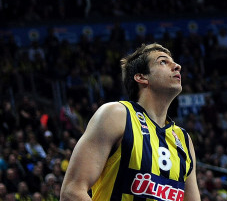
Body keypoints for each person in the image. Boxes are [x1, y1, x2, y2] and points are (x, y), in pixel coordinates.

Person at [61, 43, 200, 201]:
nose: (177, 66)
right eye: (163, 62)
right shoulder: (116, 115)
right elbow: (72, 191)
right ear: (141, 77)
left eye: (174, 62)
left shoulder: (183, 139)